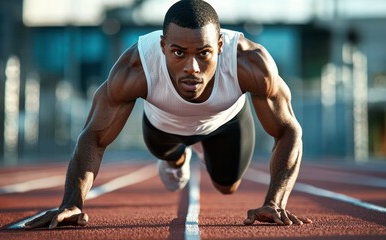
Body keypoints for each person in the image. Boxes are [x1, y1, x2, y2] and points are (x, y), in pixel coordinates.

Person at [24, 0, 312, 229]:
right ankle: (179, 158)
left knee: (227, 186)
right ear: (162, 47)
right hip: (163, 127)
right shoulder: (135, 68)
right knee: (168, 151)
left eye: (204, 53)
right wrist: (72, 202)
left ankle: (199, 151)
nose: (192, 67)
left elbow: (288, 130)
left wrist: (275, 202)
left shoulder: (250, 63)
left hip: (225, 123)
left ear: (221, 47)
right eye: (178, 53)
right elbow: (94, 137)